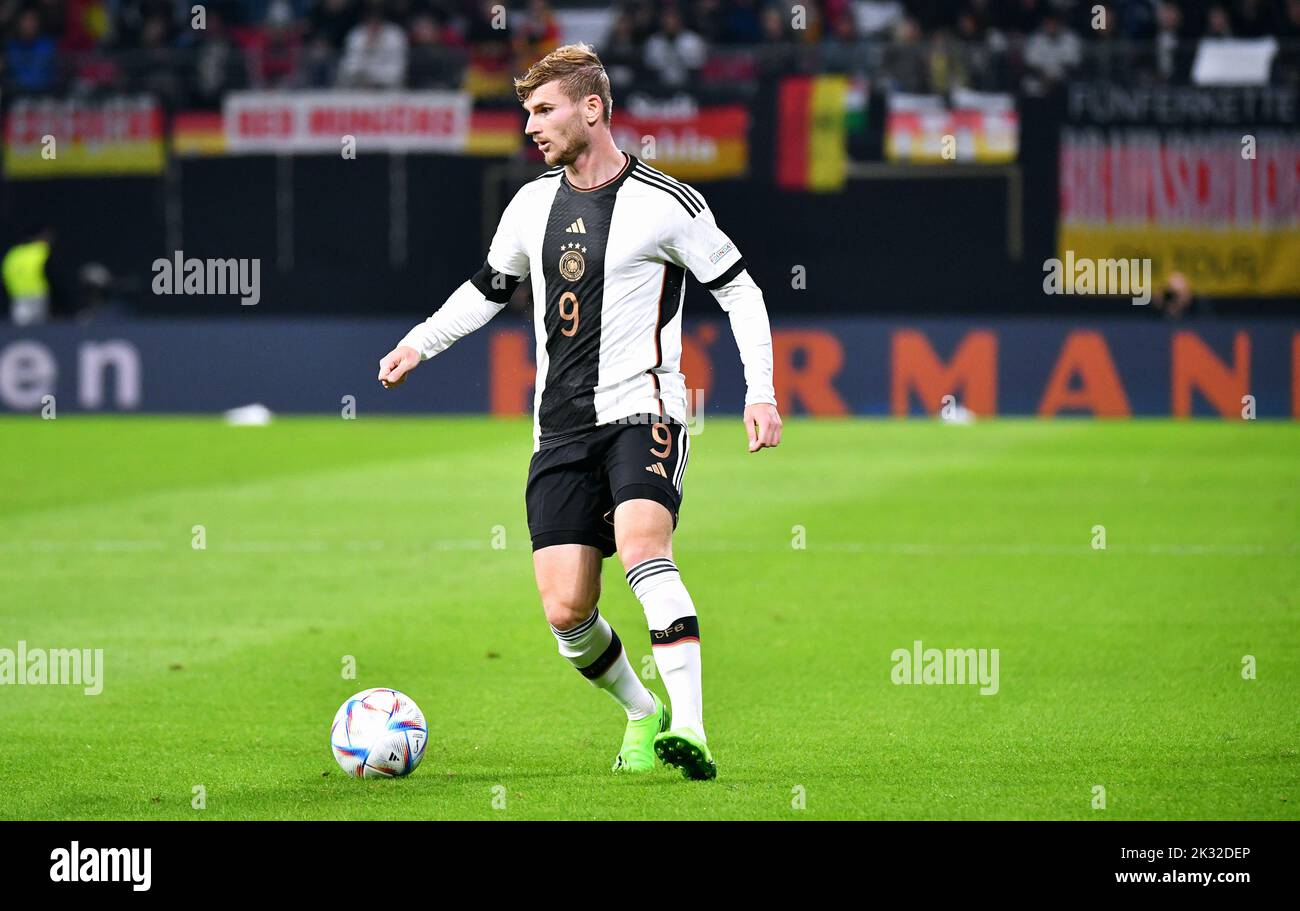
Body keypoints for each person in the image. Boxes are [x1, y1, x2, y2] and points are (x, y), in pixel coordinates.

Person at [377, 43, 782, 781]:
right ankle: (641, 709)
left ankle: (691, 727)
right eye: (527, 112)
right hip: (558, 428)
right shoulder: (531, 203)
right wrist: (418, 344)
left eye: (543, 109)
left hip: (646, 410)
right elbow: (488, 287)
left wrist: (761, 390)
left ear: (592, 109)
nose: (530, 125)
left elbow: (741, 290)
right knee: (567, 610)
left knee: (642, 546)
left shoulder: (669, 203)